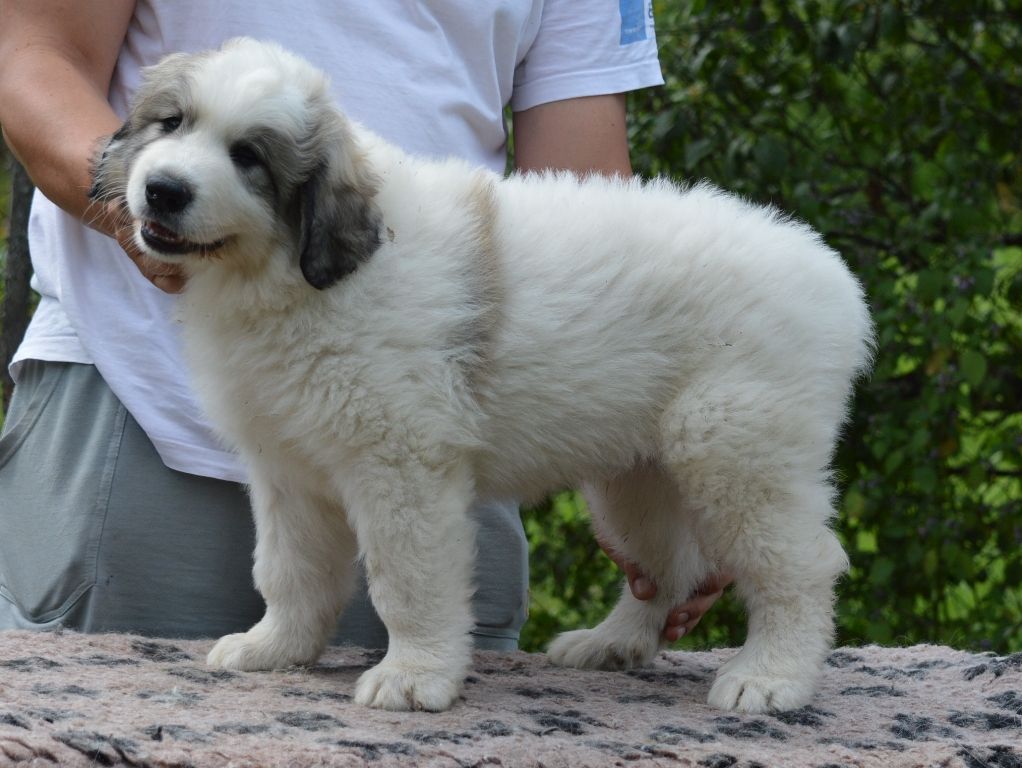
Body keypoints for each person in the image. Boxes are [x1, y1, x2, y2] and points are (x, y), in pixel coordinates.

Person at [0, 1, 729, 650]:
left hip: (455, 405)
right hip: (137, 403)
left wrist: (632, 435)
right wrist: (138, 209)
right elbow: (31, 53)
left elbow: (588, 195)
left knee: (429, 696)